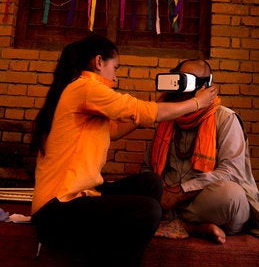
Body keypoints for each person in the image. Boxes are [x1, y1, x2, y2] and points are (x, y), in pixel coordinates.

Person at [30, 35, 218, 267]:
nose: (116, 75)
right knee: (148, 210)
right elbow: (141, 111)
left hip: (82, 196)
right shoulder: (86, 87)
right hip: (57, 211)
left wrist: (162, 103)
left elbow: (115, 131)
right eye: (115, 67)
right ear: (99, 62)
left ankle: (112, 249)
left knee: (150, 183)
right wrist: (197, 102)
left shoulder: (81, 91)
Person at [142, 59, 259, 244]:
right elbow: (147, 169)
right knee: (139, 191)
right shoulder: (167, 116)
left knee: (231, 196)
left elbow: (232, 173)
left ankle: (175, 222)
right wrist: (161, 194)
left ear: (204, 88)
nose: (181, 88)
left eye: (187, 81)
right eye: (179, 80)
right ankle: (191, 227)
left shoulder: (225, 118)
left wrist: (180, 192)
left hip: (205, 202)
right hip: (170, 203)